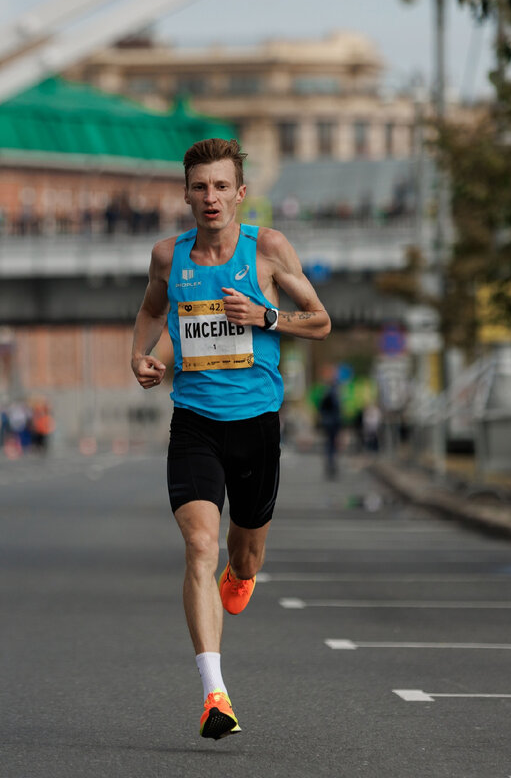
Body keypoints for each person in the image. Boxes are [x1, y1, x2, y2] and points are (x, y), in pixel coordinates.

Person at [130, 138, 331, 740]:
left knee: (243, 557)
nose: (210, 198)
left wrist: (267, 317)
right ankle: (215, 694)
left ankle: (241, 574)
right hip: (194, 422)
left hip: (257, 425)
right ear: (186, 193)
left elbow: (320, 320)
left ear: (239, 193)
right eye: (200, 187)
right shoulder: (169, 256)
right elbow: (155, 315)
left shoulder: (266, 249)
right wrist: (143, 359)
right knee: (199, 545)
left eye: (221, 187)